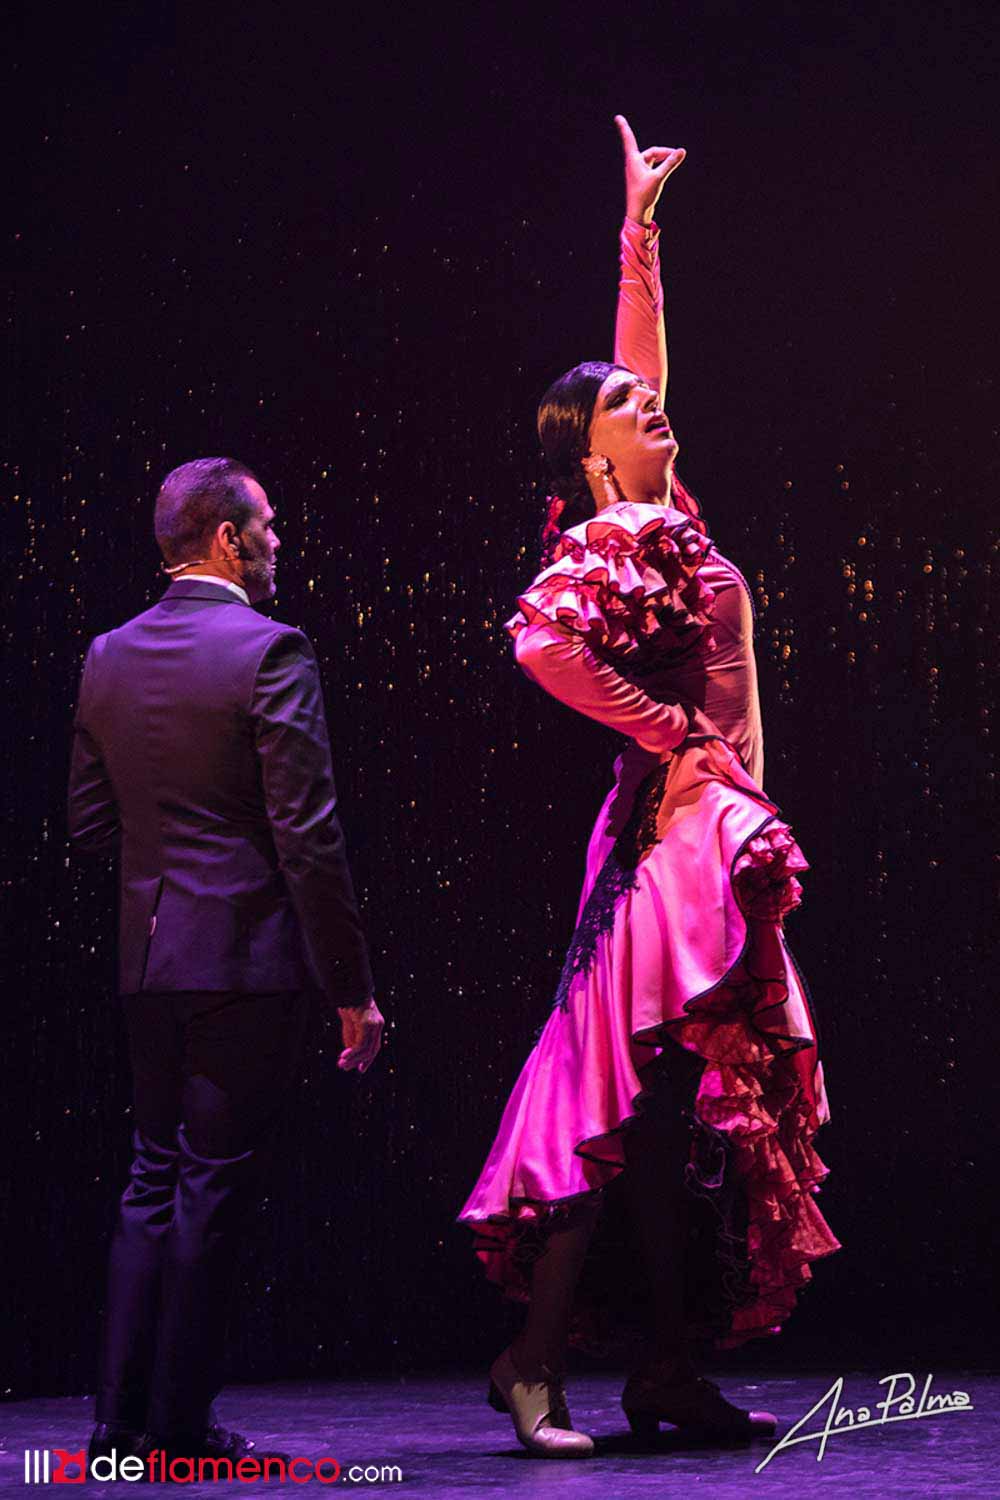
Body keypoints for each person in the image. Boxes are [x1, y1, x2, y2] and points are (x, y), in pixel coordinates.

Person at [459, 117, 841, 1458]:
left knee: (671, 1115)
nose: (648, 405)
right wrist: (666, 726)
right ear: (591, 460)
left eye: (645, 396)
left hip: (706, 838)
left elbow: (641, 370)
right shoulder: (621, 528)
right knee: (608, 1101)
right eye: (623, 411)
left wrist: (640, 234)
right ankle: (530, 1364)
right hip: (665, 843)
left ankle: (668, 1370)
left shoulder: (671, 519)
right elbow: (538, 642)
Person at [68, 457, 384, 1467]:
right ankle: (176, 1427)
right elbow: (309, 837)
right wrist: (351, 988)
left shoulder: (107, 654)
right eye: (269, 525)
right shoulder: (271, 650)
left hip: (147, 957)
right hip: (241, 959)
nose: (279, 542)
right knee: (208, 1187)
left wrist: (165, 869)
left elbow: (87, 823)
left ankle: (117, 1422)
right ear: (226, 539)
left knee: (150, 1177)